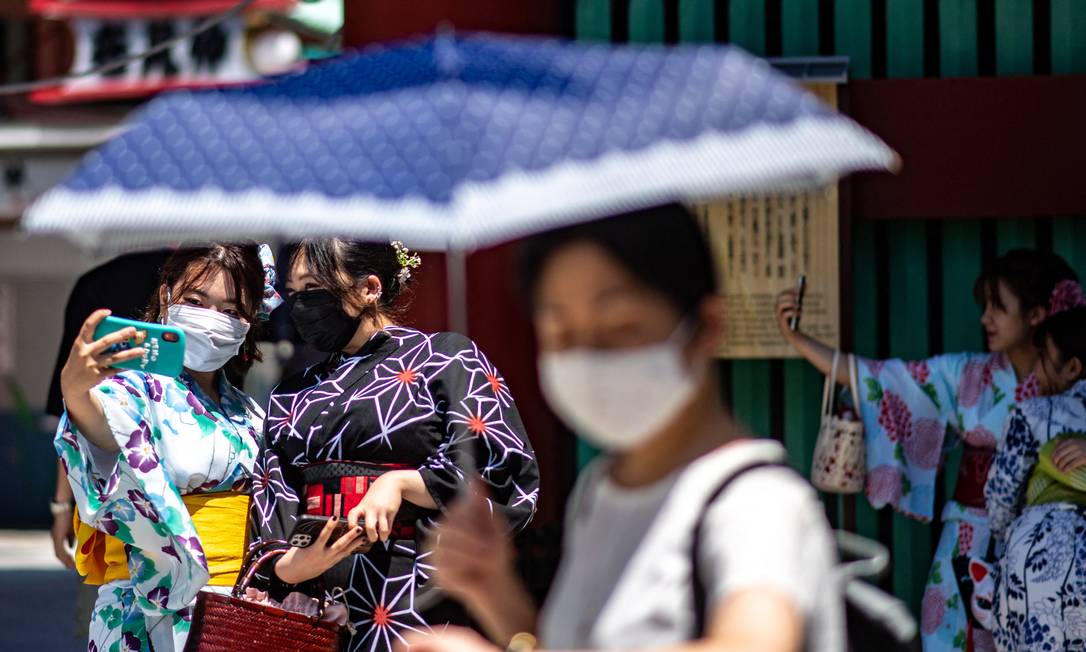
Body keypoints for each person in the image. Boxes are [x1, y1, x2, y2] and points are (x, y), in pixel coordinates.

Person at [407, 203, 843, 652]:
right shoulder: (599, 491)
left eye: (619, 327)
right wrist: (493, 592)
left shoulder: (757, 502)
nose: (588, 357)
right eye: (561, 334)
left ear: (706, 327)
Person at [774, 250, 1079, 651]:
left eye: (998, 307)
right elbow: (882, 380)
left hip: (1049, 546)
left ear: (1037, 314)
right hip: (968, 537)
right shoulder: (968, 376)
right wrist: (796, 338)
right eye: (985, 306)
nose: (986, 317)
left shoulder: (1074, 381)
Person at [248, 239, 540, 651]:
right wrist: (292, 567)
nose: (300, 305)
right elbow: (274, 495)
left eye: (313, 288)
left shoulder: (444, 357)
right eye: (293, 293)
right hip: (314, 600)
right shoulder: (292, 393)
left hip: (419, 585)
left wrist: (402, 484)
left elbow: (498, 467)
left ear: (369, 288)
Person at [55, 243, 280, 652]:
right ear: (165, 297)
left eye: (231, 311)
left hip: (236, 609)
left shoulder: (248, 410)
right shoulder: (132, 387)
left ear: (249, 323)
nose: (213, 320)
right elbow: (106, 431)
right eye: (195, 301)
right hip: (146, 606)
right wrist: (76, 392)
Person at [45, 250, 171, 573]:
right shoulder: (219, 280)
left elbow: (74, 409)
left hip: (111, 514)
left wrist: (61, 505)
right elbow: (76, 407)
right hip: (158, 521)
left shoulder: (98, 285)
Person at [984, 302, 1086, 651]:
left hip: (1038, 572)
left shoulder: (1034, 413)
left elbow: (999, 503)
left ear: (1072, 367)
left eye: (1043, 357)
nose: (1035, 369)